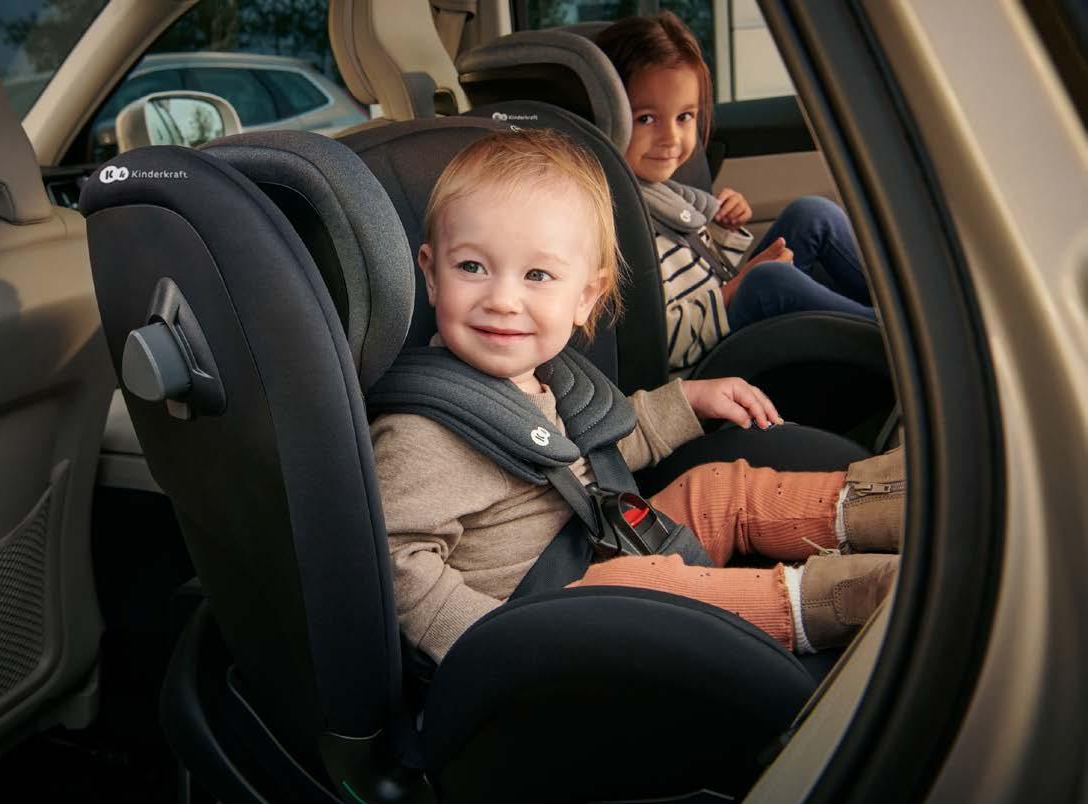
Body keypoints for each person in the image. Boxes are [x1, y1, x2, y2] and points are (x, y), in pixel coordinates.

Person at [369, 128, 903, 665]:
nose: (503, 300)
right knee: (646, 583)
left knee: (718, 489)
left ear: (585, 297)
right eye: (471, 267)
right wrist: (494, 640)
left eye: (537, 275)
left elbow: (603, 445)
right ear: (431, 276)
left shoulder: (551, 378)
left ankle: (887, 505)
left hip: (600, 542)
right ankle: (858, 598)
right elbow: (393, 560)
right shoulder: (423, 434)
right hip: (545, 624)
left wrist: (688, 398)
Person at [594, 12, 877, 370]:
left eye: (685, 117)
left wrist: (722, 229)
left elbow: (698, 274)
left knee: (811, 215)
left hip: (719, 326)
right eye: (646, 118)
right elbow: (655, 344)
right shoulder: (611, 223)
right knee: (767, 281)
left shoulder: (659, 194)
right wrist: (737, 288)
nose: (671, 138)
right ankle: (888, 340)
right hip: (706, 373)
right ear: (606, 116)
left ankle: (903, 314)